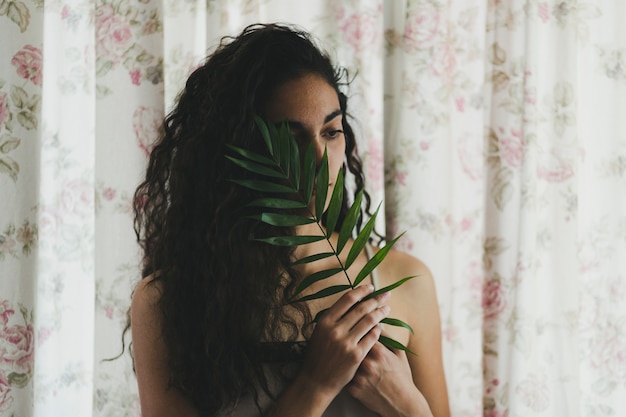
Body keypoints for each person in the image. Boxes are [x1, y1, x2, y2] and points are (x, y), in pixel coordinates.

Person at [129, 23, 450, 417]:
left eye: (331, 132)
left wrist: (408, 406)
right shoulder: (167, 302)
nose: (318, 159)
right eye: (291, 138)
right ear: (238, 150)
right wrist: (314, 387)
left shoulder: (406, 282)